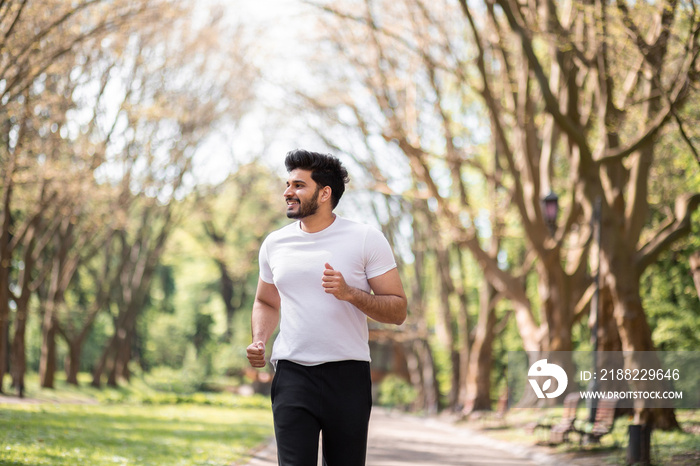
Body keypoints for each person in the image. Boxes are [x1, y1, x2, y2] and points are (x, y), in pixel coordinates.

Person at [246, 149, 407, 466]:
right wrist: (260, 338)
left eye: (298, 185)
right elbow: (265, 300)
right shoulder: (275, 244)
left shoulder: (365, 239)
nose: (287, 192)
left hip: (347, 375)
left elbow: (398, 311)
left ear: (324, 193)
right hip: (292, 372)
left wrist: (351, 294)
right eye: (288, 184)